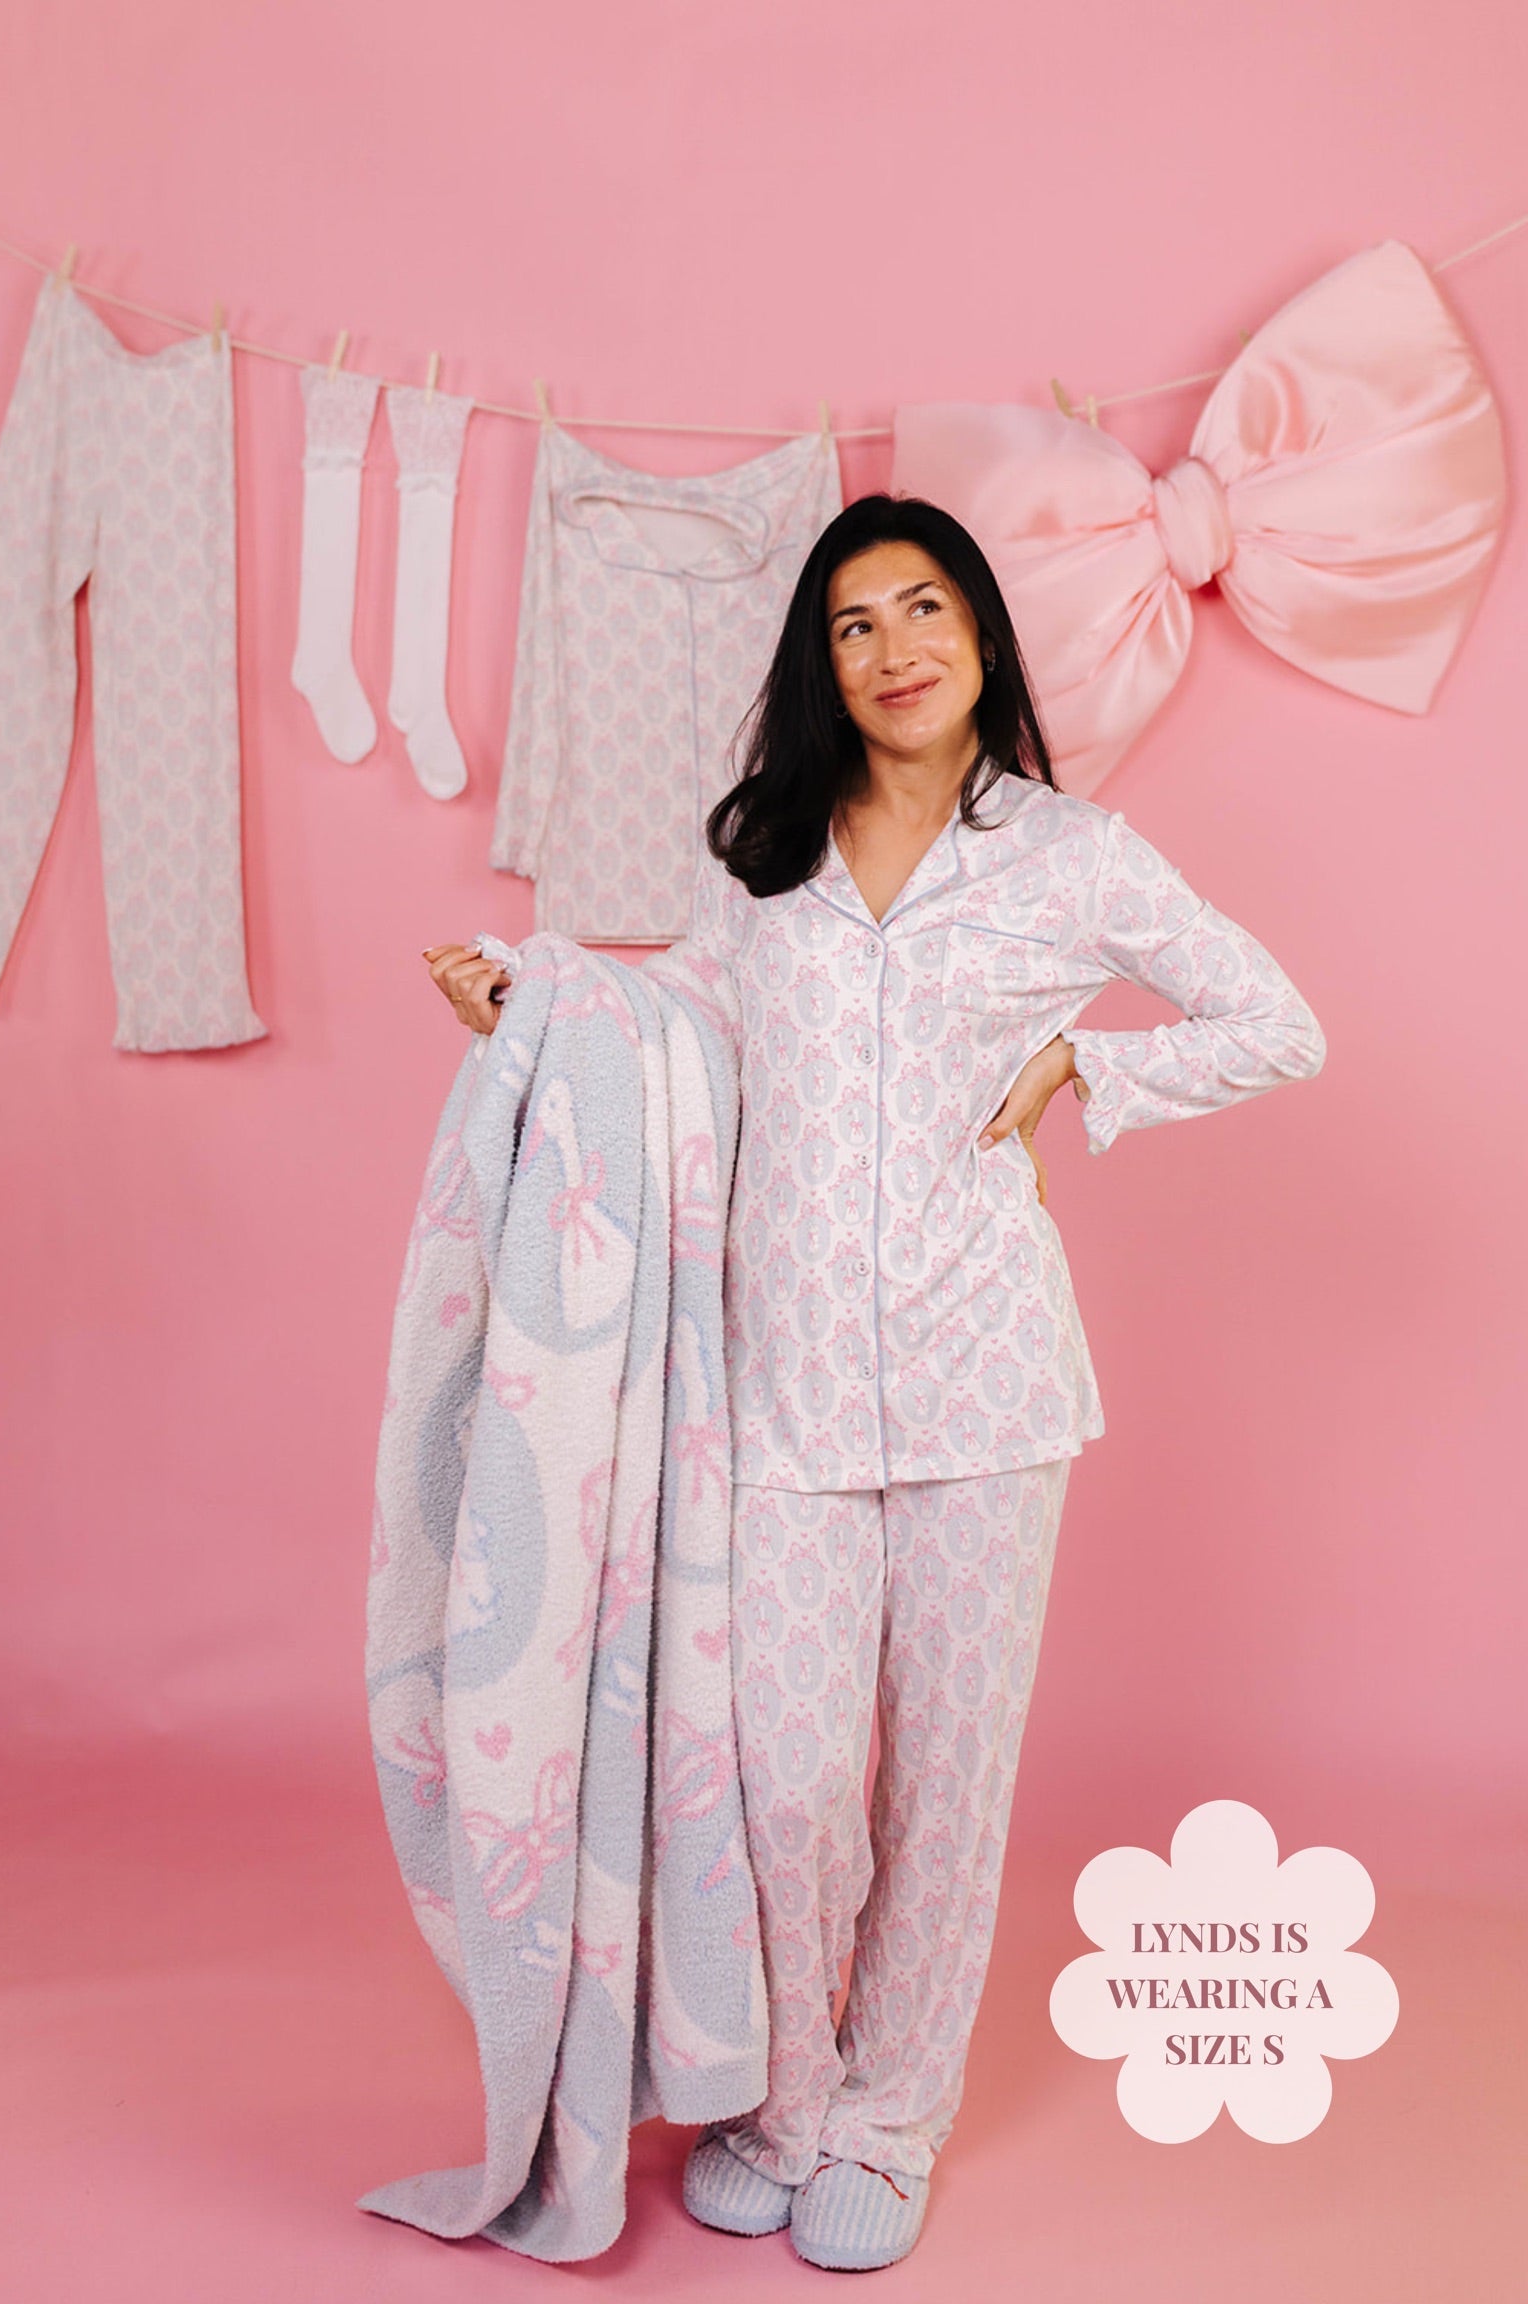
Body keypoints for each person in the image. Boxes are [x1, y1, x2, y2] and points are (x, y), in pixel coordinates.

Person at [423, 494, 1325, 2272]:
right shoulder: (767, 863)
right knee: (789, 1784)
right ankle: (788, 2098)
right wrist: (531, 999)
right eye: (855, 622)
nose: (896, 647)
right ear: (819, 660)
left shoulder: (1072, 857)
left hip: (994, 1391)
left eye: (926, 610)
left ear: (982, 636)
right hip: (789, 1396)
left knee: (950, 1783)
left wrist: (1086, 1068)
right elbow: (675, 1029)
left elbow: (1277, 1021)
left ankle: (891, 2122)